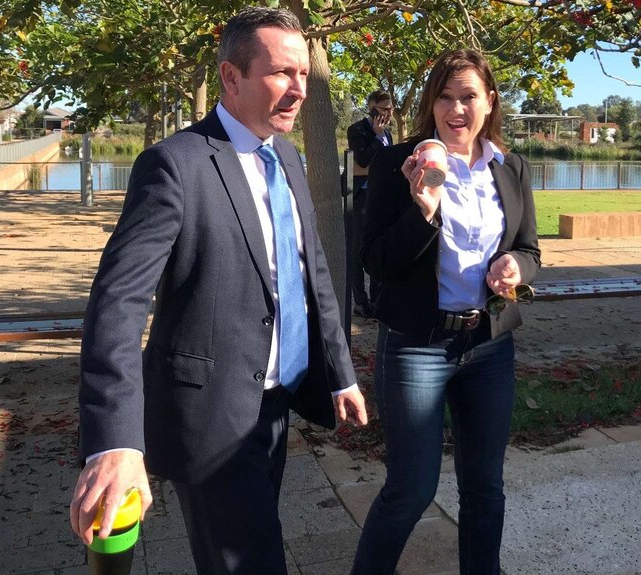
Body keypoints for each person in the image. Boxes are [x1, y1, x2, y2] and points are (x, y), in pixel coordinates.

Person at [69, 7, 368, 574]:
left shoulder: (288, 156)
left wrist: (341, 370)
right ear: (231, 78)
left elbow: (310, 273)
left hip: (276, 407)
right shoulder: (173, 165)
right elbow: (118, 302)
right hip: (209, 417)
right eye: (281, 73)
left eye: (304, 74)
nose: (299, 89)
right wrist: (113, 441)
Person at [351, 49, 541, 575]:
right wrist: (423, 211)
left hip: (489, 344)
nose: (456, 109)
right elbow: (374, 262)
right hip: (416, 346)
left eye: (468, 97)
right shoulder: (400, 163)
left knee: (485, 486)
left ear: (490, 102)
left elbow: (531, 250)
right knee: (411, 489)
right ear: (431, 103)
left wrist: (515, 269)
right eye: (445, 97)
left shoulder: (510, 166)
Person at [346, 90, 393, 318]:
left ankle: (376, 298)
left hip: (381, 197)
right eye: (384, 109)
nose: (389, 113)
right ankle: (360, 301)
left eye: (391, 109)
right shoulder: (357, 130)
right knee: (357, 250)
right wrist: (375, 135)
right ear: (372, 107)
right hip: (360, 198)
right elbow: (362, 159)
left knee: (378, 247)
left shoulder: (389, 134)